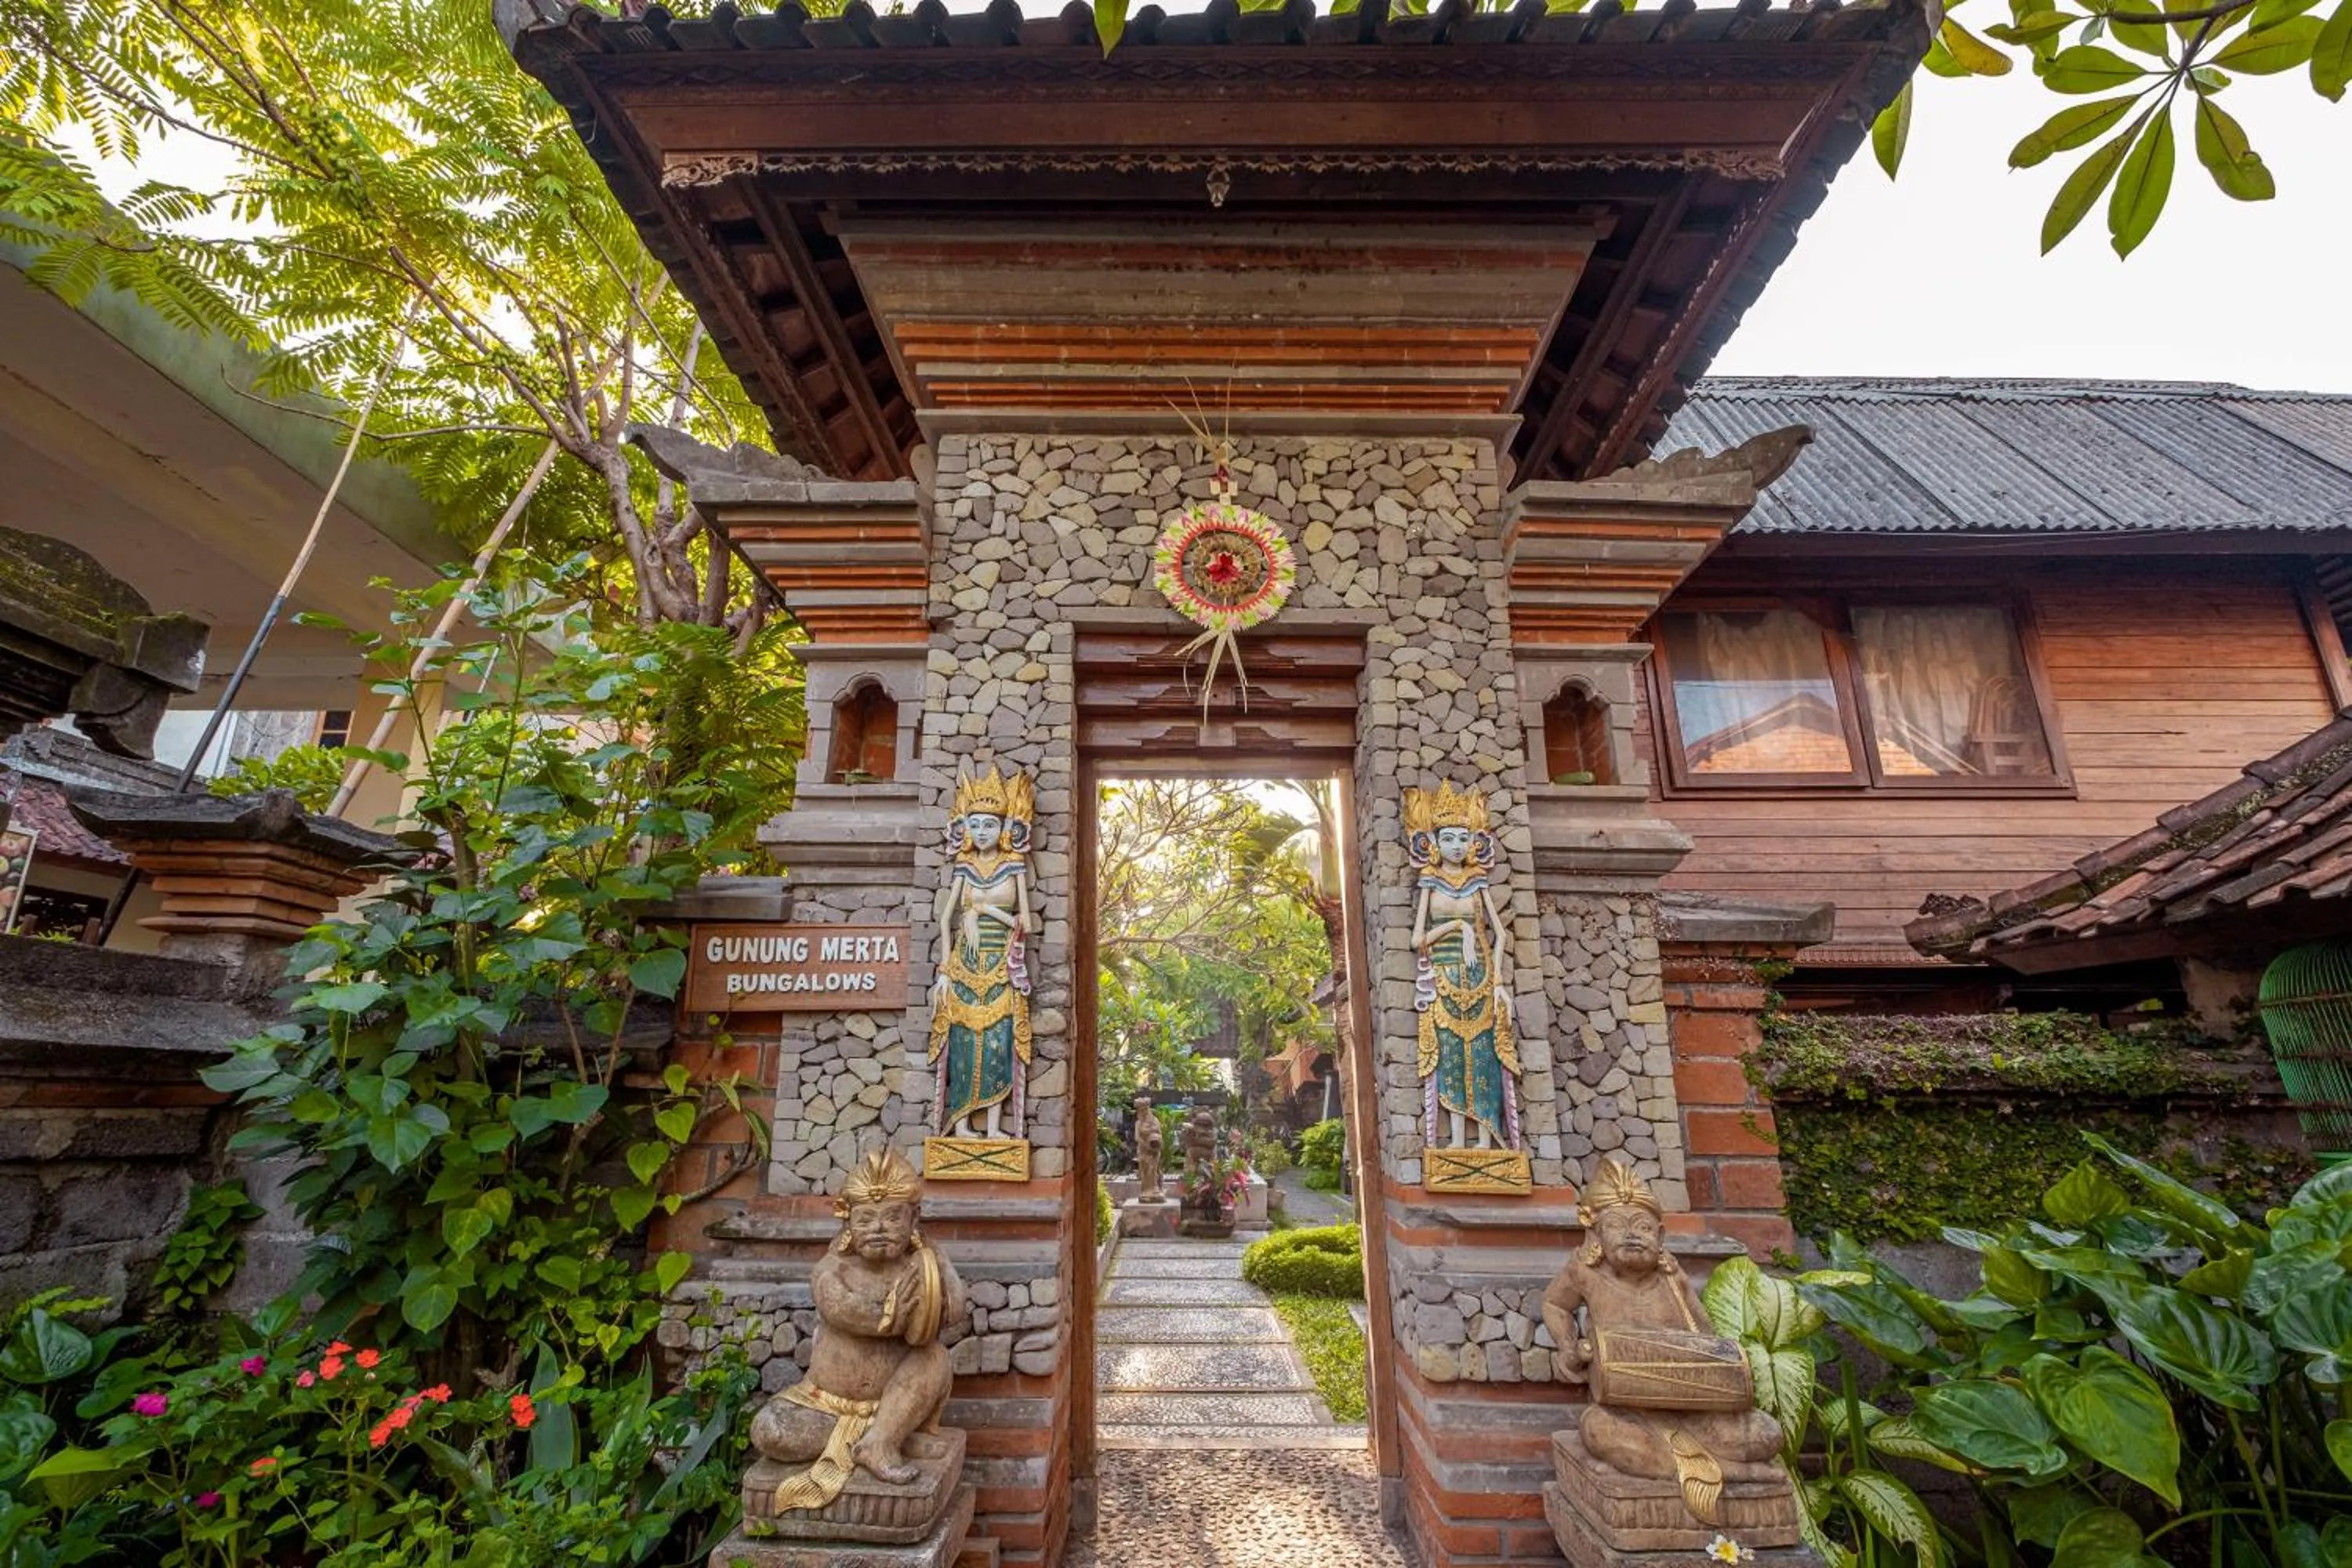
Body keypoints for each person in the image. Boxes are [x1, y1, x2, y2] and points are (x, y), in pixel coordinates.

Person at [1542, 1157, 1782, 1522]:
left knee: (1766, 1433)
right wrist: (1569, 1348)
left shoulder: (1673, 1281)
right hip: (1626, 1411)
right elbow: (1554, 1305)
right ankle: (1731, 1473)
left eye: (1642, 1227)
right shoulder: (1585, 1275)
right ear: (1595, 1236)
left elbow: (1707, 1339)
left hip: (1691, 1408)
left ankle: (1691, 1465)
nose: (1632, 1235)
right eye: (1618, 1227)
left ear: (1661, 1236)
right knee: (1598, 1432)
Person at [751, 1148, 965, 1508]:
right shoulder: (833, 1270)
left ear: (915, 1219)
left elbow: (955, 1310)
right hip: (825, 1405)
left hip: (895, 1396)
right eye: (865, 1220)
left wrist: (938, 1263)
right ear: (847, 1222)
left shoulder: (921, 1265)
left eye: (893, 1218)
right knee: (769, 1430)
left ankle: (882, 1439)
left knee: (934, 1359)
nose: (879, 1229)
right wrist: (895, 1313)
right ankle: (890, 1435)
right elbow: (845, 1313)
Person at [1405, 782, 1519, 1151]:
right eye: (1448, 839)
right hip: (1443, 976)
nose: (1456, 846)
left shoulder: (1477, 881)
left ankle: (1486, 1141)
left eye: (1462, 838)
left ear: (1473, 843)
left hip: (1482, 979)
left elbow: (1500, 935)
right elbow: (1416, 939)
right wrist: (1458, 929)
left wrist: (1499, 982)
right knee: (1450, 1058)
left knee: (1485, 1059)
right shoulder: (1430, 882)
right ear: (1434, 845)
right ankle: (1455, 1140)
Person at [927, 766, 1033, 1140]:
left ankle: (992, 1128)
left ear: (1004, 829)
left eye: (990, 825)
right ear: (965, 829)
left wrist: (984, 911)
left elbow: (1027, 924)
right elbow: (945, 920)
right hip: (963, 965)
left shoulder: (1013, 865)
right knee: (962, 1046)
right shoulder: (964, 865)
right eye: (976, 826)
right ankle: (960, 1125)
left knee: (998, 1045)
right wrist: (943, 970)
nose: (982, 833)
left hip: (1000, 964)